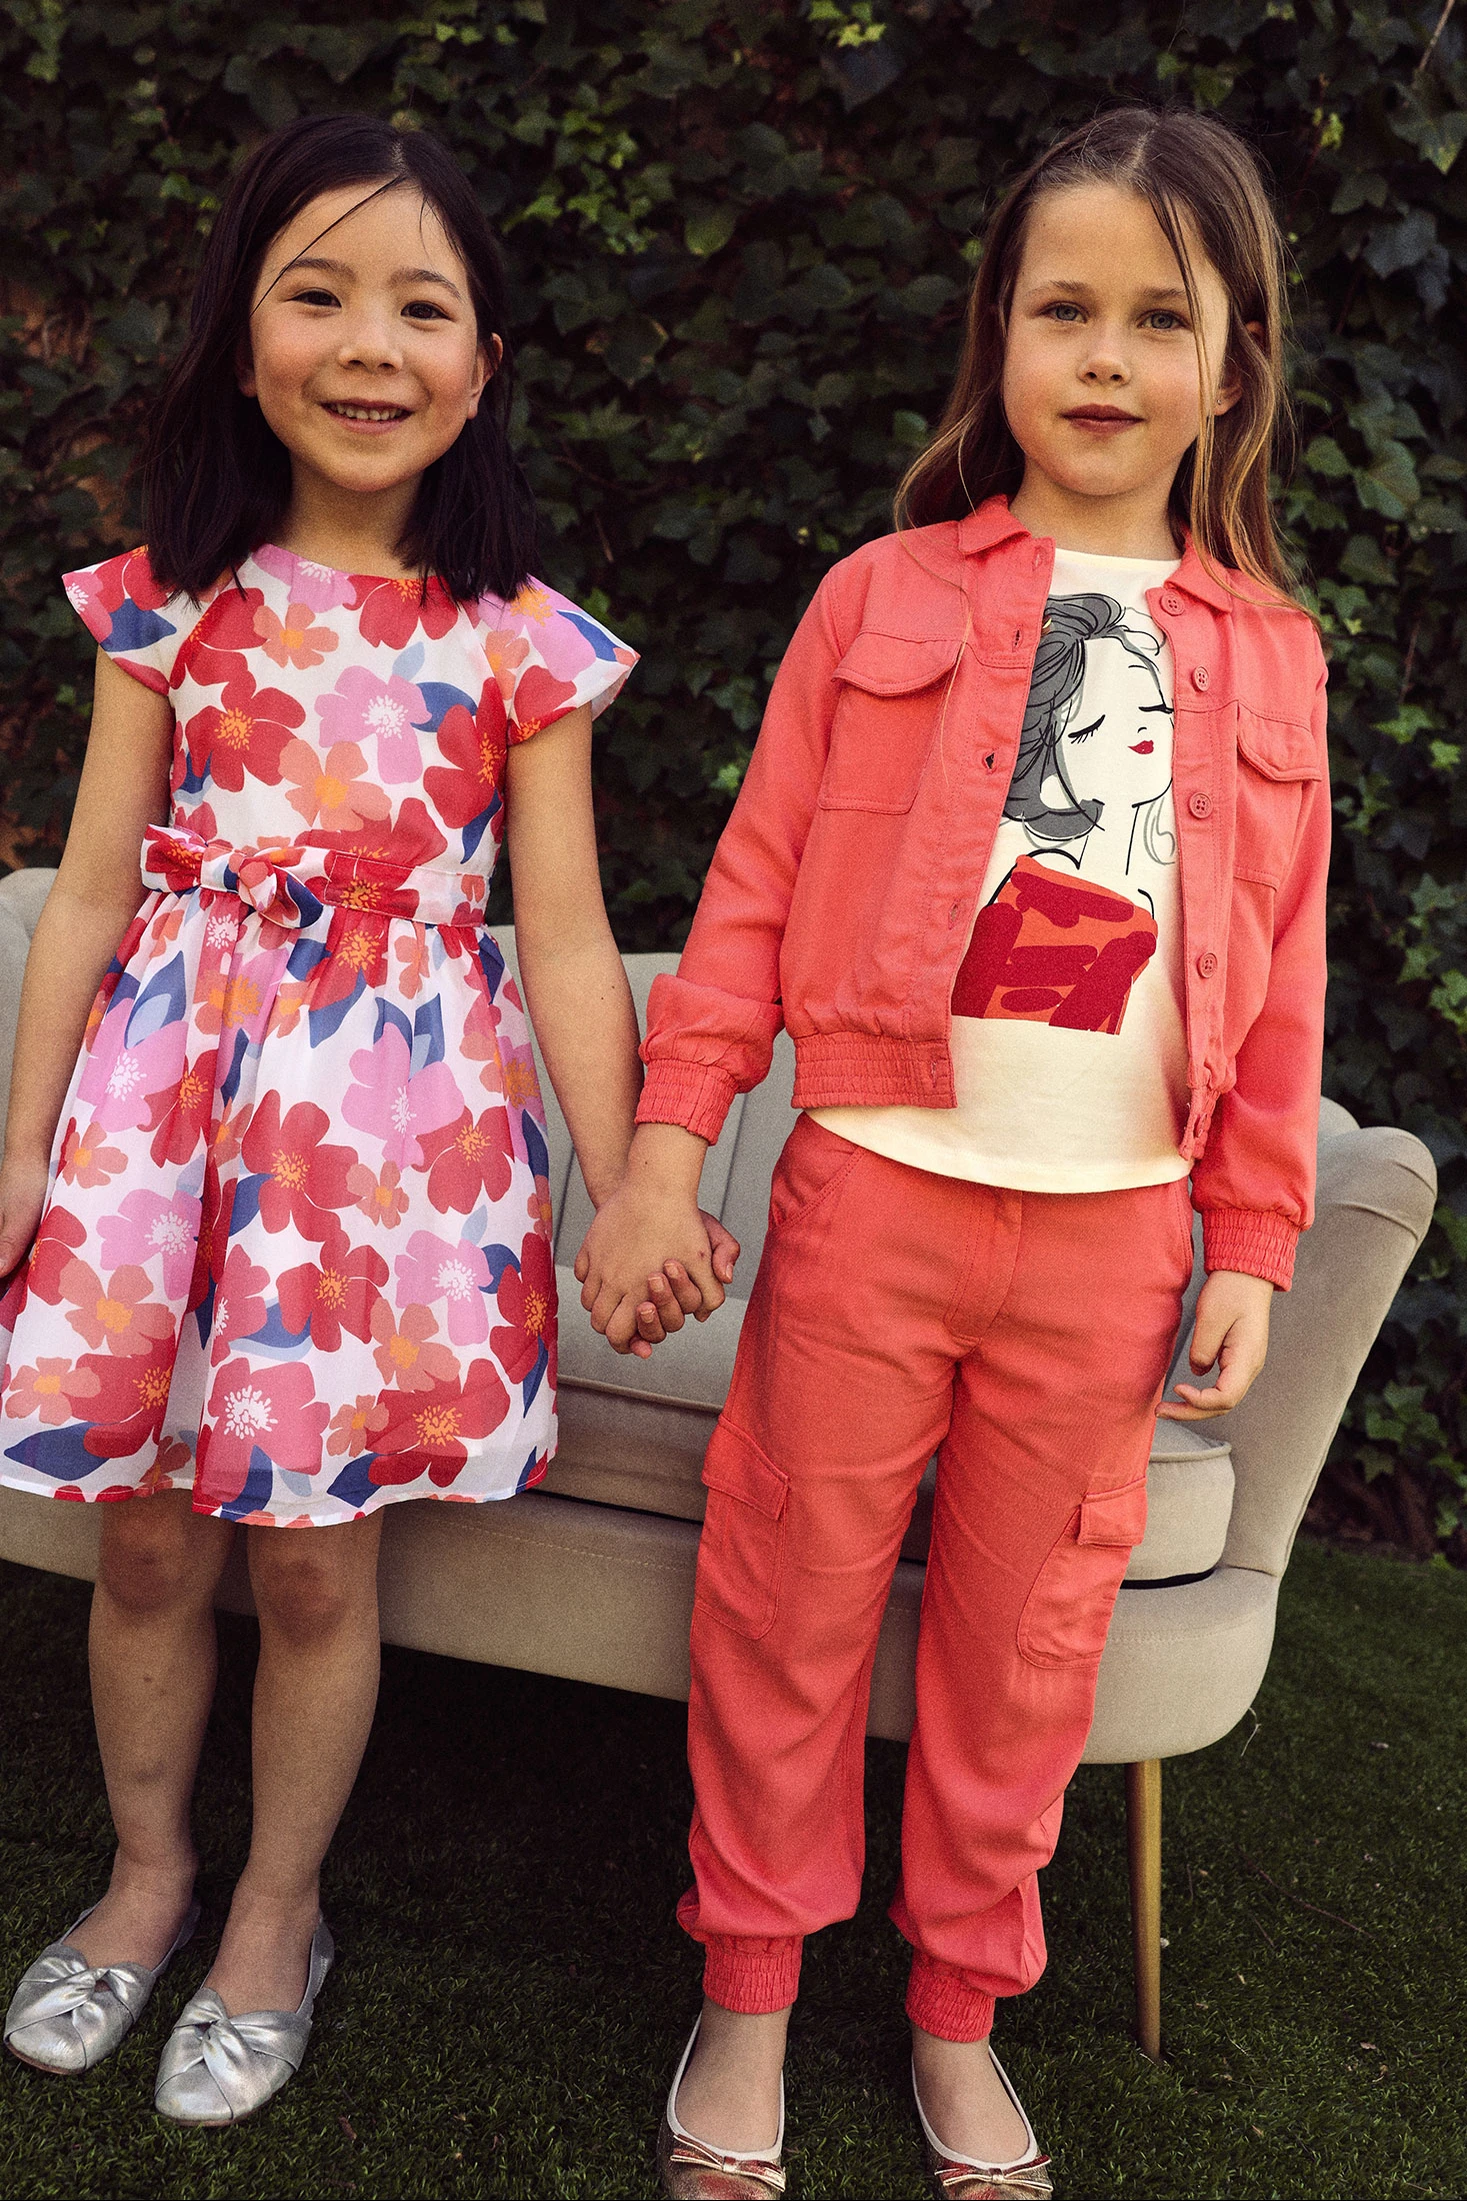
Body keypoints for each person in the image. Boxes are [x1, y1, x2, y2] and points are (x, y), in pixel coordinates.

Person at [576, 104, 1330, 2198]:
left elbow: (1281, 982)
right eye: (1061, 308)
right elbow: (746, 898)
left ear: (1232, 365)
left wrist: (1251, 1235)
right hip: (871, 1198)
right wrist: (665, 1154)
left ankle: (959, 2012)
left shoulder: (1270, 655)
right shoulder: (879, 596)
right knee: (786, 1601)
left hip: (1112, 1241)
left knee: (1021, 1648)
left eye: (1158, 317)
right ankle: (747, 1993)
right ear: (996, 338)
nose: (1105, 355)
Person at [0, 112, 732, 2125]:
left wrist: (628, 1184)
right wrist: (18, 1149)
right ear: (243, 342)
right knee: (147, 1544)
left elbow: (562, 939)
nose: (367, 344)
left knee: (320, 1570)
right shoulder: (168, 602)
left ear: (484, 362)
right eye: (316, 293)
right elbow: (87, 890)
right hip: (162, 1133)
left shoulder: (521, 642)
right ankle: (146, 1877)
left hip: (381, 1167)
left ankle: (275, 1913)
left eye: (421, 305)